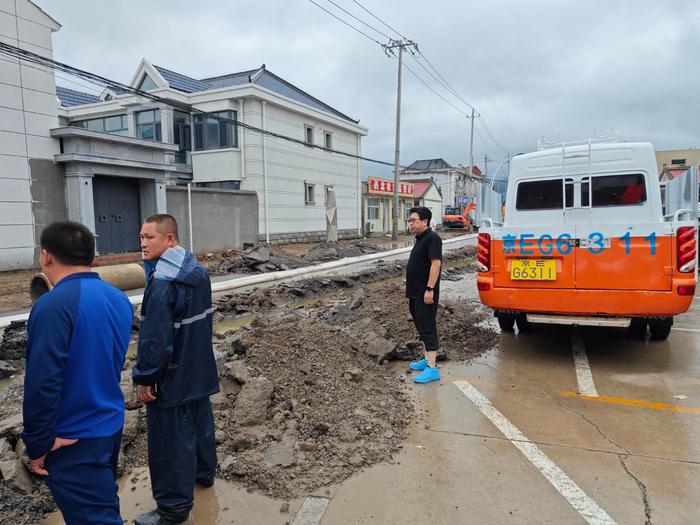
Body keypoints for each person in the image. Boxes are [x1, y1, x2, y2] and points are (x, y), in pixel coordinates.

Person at [22, 221, 133, 524]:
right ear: (92, 257)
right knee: (103, 505)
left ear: (46, 257)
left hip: (72, 436)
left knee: (94, 518)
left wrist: (38, 443)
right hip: (109, 425)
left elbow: (42, 382)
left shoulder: (52, 305)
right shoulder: (119, 299)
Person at [133, 214, 219, 525]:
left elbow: (155, 339)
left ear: (170, 239)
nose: (143, 242)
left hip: (173, 377)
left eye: (150, 237)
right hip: (199, 370)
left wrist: (145, 378)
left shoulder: (163, 282)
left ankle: (172, 509)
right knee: (200, 426)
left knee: (170, 443)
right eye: (141, 236)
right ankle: (204, 474)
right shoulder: (197, 271)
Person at [405, 207, 443, 384]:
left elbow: (436, 264)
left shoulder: (432, 238)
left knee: (428, 327)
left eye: (414, 220)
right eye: (410, 220)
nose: (410, 223)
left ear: (425, 221)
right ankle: (426, 359)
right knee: (421, 325)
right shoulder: (421, 239)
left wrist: (430, 289)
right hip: (415, 293)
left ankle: (432, 368)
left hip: (425, 293)